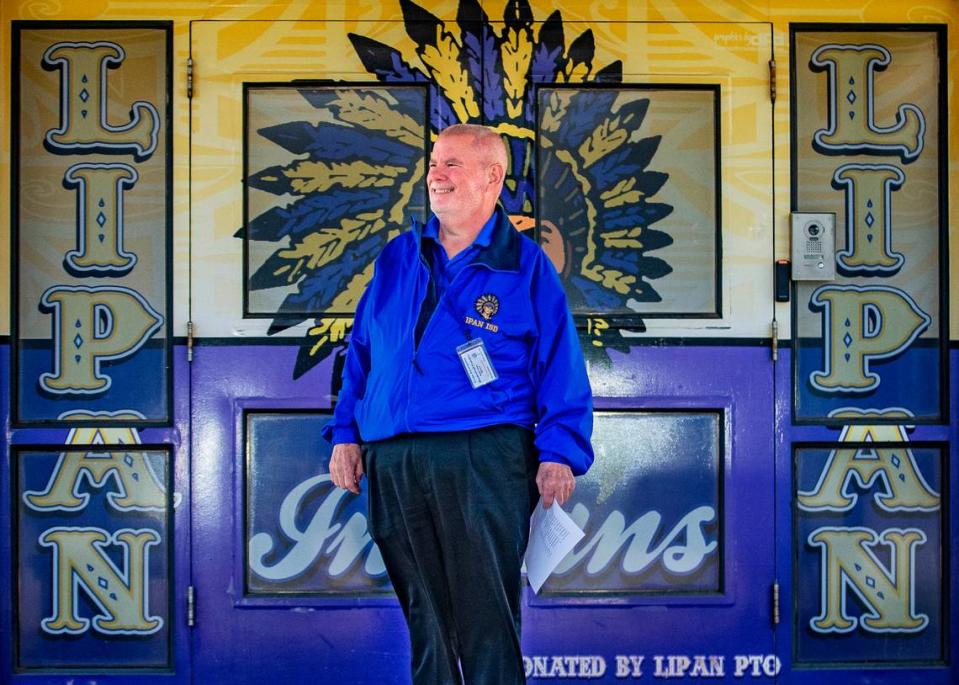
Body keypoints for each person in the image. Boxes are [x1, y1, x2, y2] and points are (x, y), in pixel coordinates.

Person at [323, 124, 593, 684]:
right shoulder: (398, 257)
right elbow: (363, 352)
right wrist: (346, 433)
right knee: (425, 617)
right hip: (392, 456)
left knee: (485, 617)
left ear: (492, 177)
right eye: (433, 165)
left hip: (482, 455)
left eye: (451, 164)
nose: (435, 176)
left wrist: (559, 452)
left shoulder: (524, 265)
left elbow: (560, 363)